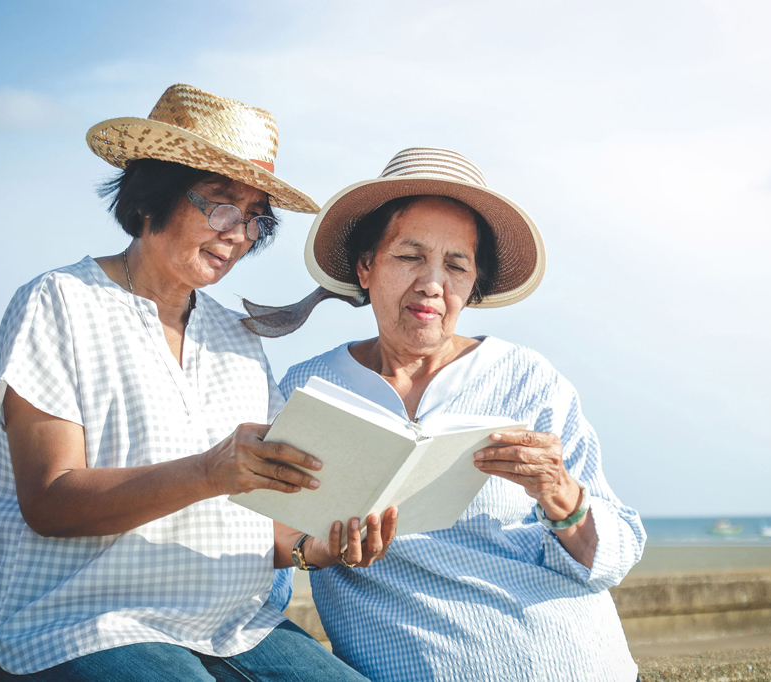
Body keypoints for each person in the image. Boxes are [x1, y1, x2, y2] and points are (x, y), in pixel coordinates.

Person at [0, 84, 395, 682]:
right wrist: (208, 471)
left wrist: (313, 547)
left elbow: (253, 518)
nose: (237, 234)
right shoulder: (60, 301)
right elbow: (49, 500)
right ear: (150, 197)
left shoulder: (239, 339)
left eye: (253, 219)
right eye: (220, 206)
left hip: (232, 625)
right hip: (75, 622)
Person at [271, 148, 646, 681]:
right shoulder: (307, 388)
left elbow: (615, 556)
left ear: (474, 286)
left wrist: (560, 494)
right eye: (409, 256)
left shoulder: (527, 377)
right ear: (365, 266)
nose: (432, 283)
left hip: (571, 658)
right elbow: (262, 544)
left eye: (456, 265)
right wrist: (320, 550)